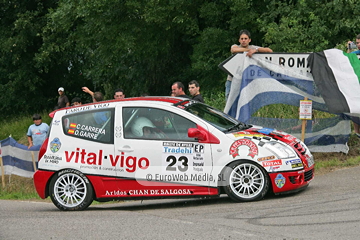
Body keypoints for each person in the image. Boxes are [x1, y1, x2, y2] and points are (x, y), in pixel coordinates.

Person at [225, 29, 273, 100]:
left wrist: (256, 50)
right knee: (229, 102)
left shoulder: (253, 47)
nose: (243, 40)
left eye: (245, 38)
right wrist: (249, 51)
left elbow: (269, 51)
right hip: (232, 79)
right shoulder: (236, 46)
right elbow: (234, 50)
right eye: (242, 39)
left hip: (246, 81)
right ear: (239, 40)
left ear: (249, 40)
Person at [347, 34, 360, 138]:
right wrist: (348, 49)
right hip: (356, 86)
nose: (358, 45)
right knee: (354, 109)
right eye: (357, 43)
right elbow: (345, 60)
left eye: (359, 42)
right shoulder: (355, 54)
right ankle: (356, 132)